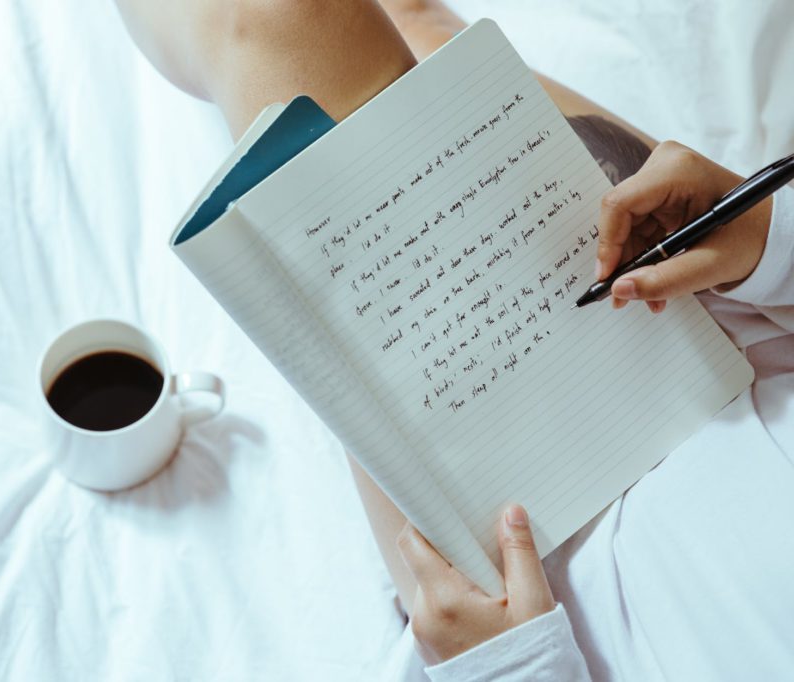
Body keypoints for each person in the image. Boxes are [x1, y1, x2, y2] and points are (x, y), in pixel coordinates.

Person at [115, 0, 794, 678]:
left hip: (536, 570)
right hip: (703, 303)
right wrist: (771, 238)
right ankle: (422, 21)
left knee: (278, 21)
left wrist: (507, 663)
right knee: (438, 53)